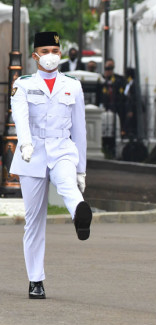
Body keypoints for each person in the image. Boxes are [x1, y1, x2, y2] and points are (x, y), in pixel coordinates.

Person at [10, 31, 93, 299]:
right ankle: (36, 280)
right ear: (35, 56)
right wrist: (24, 143)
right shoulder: (22, 85)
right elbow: (20, 117)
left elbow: (80, 129)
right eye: (44, 51)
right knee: (34, 220)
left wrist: (82, 169)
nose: (50, 56)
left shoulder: (73, 85)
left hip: (62, 148)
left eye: (54, 51)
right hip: (32, 152)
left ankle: (80, 214)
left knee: (68, 183)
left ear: (61, 54)